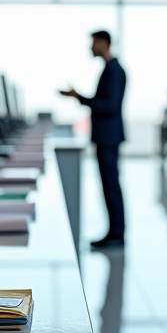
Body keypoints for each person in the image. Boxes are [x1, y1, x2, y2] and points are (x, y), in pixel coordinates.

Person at [60, 31, 127, 248]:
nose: (90, 47)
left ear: (103, 43)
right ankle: (114, 232)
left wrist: (79, 97)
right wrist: (79, 96)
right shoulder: (110, 70)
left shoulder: (114, 71)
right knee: (109, 185)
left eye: (93, 42)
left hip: (108, 136)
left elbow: (109, 106)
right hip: (106, 136)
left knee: (111, 185)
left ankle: (116, 234)